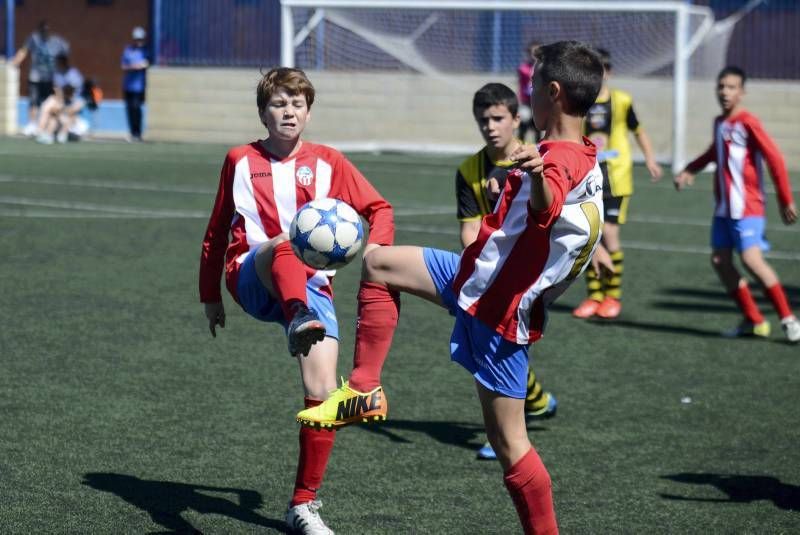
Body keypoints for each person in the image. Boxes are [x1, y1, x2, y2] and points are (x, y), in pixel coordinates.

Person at [298, 41, 606, 534]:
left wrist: (541, 173)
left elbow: (548, 208)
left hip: (499, 314)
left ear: (552, 91)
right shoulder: (588, 152)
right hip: (473, 276)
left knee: (510, 445)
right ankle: (364, 389)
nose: (526, 94)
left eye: (532, 86)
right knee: (377, 263)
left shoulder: (559, 159)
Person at [198, 67, 394, 534]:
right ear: (263, 112)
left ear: (308, 111)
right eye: (279, 104)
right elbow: (216, 229)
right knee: (285, 243)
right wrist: (209, 295)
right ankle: (296, 316)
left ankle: (302, 505)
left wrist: (374, 250)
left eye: (297, 104)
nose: (289, 112)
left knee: (325, 396)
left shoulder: (329, 161)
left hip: (312, 288)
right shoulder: (240, 159)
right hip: (252, 272)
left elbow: (379, 209)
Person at [457, 82, 558, 461]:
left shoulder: (536, 159)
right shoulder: (469, 171)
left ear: (517, 119)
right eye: (484, 119)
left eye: (499, 118)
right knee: (494, 345)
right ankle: (536, 401)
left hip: (533, 271)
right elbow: (469, 231)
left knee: (500, 347)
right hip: (489, 272)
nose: (491, 126)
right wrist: (473, 278)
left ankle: (505, 429)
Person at [674, 66, 799, 343]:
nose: (725, 92)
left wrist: (785, 199)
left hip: (748, 207)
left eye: (731, 87)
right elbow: (713, 152)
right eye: (721, 86)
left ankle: (789, 319)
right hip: (724, 209)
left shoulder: (748, 122)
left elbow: (775, 159)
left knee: (752, 260)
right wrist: (690, 170)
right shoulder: (720, 122)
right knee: (720, 260)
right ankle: (753, 320)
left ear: (741, 92)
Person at [572, 48, 662, 320]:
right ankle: (594, 296)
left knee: (609, 233)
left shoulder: (621, 101)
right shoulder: (580, 103)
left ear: (609, 72)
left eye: (602, 69)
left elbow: (638, 130)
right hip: (589, 178)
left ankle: (612, 295)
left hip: (617, 178)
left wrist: (650, 159)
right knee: (591, 235)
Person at [12, 20, 70, 137]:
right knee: (33, 101)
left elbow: (65, 52)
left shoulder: (56, 41)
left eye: (46, 30)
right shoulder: (34, 39)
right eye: (43, 30)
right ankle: (32, 124)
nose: (45, 32)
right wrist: (14, 62)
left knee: (48, 103)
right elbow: (24, 50)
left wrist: (63, 71)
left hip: (49, 78)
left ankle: (49, 126)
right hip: (35, 76)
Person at [35, 54, 87, 144]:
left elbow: (70, 92)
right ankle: (43, 132)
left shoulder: (73, 74)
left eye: (58, 62)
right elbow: (57, 89)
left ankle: (62, 133)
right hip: (63, 100)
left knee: (62, 112)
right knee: (51, 110)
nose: (56, 63)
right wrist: (59, 102)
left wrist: (61, 106)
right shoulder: (57, 73)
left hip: (74, 102)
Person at [121, 26, 150, 141]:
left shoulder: (146, 51)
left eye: (140, 39)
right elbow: (124, 66)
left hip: (139, 86)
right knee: (129, 109)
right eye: (137, 39)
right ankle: (132, 132)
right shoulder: (128, 50)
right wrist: (135, 66)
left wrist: (137, 66)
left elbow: (146, 64)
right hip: (128, 85)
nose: (139, 41)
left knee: (137, 108)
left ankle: (138, 133)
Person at [516, 41, 542, 144]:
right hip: (526, 102)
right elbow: (521, 86)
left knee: (537, 128)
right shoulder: (523, 69)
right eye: (532, 52)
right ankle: (519, 148)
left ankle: (539, 151)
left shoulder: (543, 68)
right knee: (523, 122)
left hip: (539, 103)